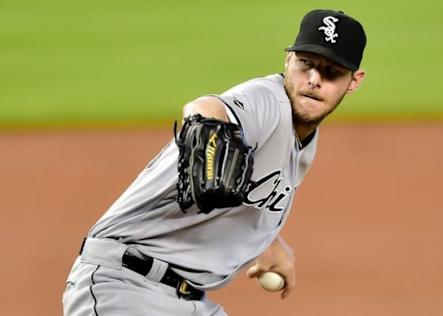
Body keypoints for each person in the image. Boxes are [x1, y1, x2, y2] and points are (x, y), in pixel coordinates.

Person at [63, 9, 367, 316]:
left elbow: (250, 199)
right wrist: (209, 134)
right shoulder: (267, 102)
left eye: (331, 72)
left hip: (187, 303)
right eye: (307, 64)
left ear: (354, 81)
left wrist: (267, 243)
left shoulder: (302, 141)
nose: (314, 80)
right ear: (289, 61)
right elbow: (207, 107)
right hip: (124, 286)